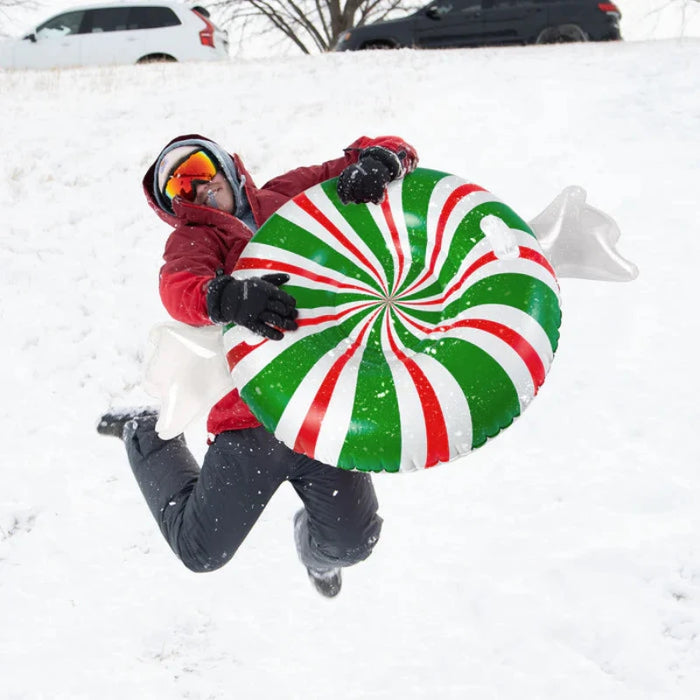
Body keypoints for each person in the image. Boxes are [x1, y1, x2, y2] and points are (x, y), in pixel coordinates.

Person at [98, 133, 418, 597]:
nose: (197, 189)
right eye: (180, 189)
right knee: (200, 551)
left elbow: (381, 149)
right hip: (250, 421)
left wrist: (383, 161)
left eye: (199, 171)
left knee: (353, 542)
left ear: (225, 165)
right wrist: (226, 295)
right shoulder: (193, 239)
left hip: (317, 408)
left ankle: (315, 554)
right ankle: (146, 434)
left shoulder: (288, 194)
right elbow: (178, 284)